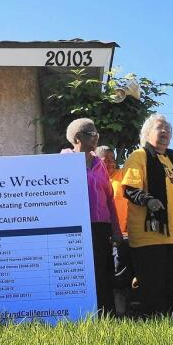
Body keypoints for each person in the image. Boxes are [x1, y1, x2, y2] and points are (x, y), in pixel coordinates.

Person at [120, 114, 173, 317]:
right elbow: (129, 189)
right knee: (153, 286)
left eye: (168, 129)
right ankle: (152, 322)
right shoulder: (139, 156)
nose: (165, 132)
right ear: (146, 133)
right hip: (150, 235)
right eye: (159, 128)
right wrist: (149, 200)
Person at [67, 119, 123, 315]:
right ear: (77, 138)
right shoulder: (63, 162)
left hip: (101, 227)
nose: (96, 137)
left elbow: (109, 199)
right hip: (78, 227)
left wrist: (116, 229)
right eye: (91, 133)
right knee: (82, 273)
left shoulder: (100, 165)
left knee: (103, 271)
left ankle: (106, 314)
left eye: (97, 133)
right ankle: (82, 314)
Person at [97, 145, 129, 236]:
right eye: (106, 160)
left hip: (124, 234)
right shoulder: (92, 181)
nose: (111, 162)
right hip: (101, 234)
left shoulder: (123, 174)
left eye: (112, 159)